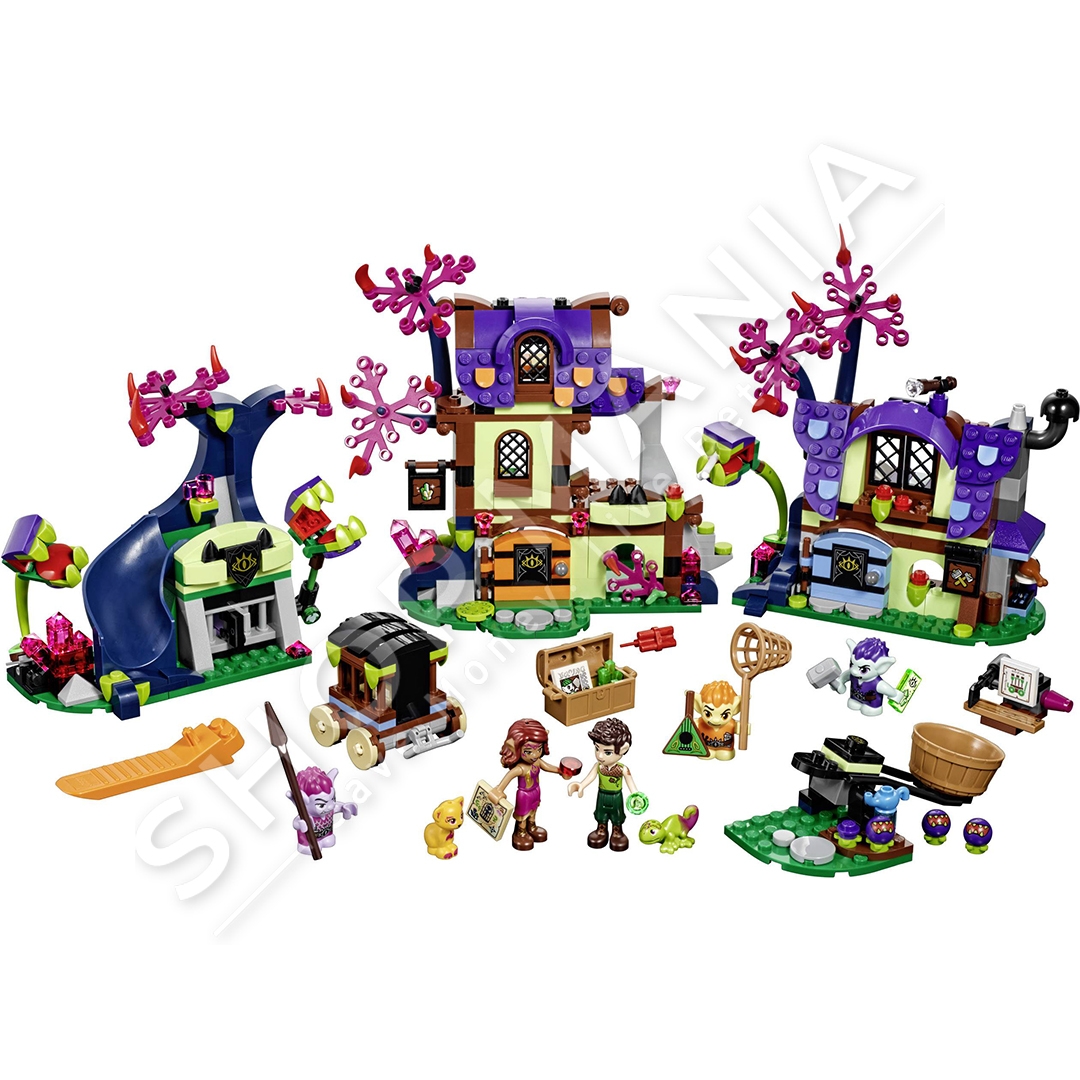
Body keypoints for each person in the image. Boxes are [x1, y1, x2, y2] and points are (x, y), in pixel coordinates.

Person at [488, 718, 563, 851]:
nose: (535, 755)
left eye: (538, 749)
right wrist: (498, 790)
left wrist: (560, 771)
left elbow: (547, 767)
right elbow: (507, 778)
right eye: (528, 751)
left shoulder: (537, 762)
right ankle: (520, 832)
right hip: (524, 795)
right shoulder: (521, 768)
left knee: (533, 811)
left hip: (536, 791)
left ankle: (532, 827)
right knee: (522, 814)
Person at [567, 717, 637, 851]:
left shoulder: (622, 769)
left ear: (623, 749)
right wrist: (581, 785)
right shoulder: (599, 766)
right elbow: (591, 776)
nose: (600, 756)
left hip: (616, 796)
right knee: (601, 814)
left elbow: (631, 784)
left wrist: (636, 795)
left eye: (607, 752)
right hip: (602, 795)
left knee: (617, 815)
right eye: (597, 749)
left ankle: (617, 832)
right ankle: (601, 830)